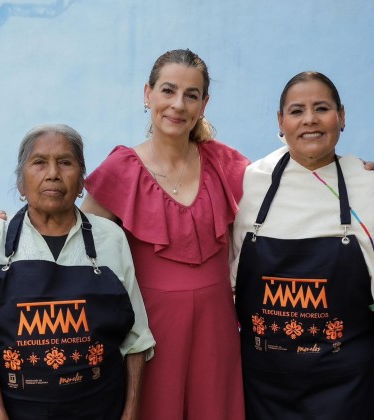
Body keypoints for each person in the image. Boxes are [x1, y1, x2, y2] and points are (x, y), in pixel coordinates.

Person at [230, 71, 374, 419]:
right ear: (280, 122)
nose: (309, 119)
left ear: (341, 116)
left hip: (346, 386)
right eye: (296, 111)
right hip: (264, 383)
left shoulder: (371, 190)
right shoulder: (249, 184)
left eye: (321, 108)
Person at [82, 49, 248, 419]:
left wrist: (354, 175)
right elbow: (75, 241)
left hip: (217, 330)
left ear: (204, 103)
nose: (178, 105)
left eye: (191, 95)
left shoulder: (226, 164)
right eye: (168, 91)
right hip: (150, 334)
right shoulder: (119, 170)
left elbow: (285, 191)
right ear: (148, 94)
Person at [0, 124, 155, 420]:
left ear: (81, 182)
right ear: (21, 184)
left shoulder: (110, 238)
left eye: (65, 162)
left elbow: (137, 340)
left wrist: (129, 415)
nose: (53, 173)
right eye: (39, 162)